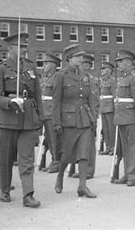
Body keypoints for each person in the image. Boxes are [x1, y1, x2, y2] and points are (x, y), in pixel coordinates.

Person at [0, 33, 43, 208]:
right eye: (21, 46)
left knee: (27, 158)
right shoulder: (0, 68)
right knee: (5, 157)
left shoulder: (30, 67)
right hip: (7, 119)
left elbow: (37, 95)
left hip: (28, 118)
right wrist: (9, 102)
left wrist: (40, 118)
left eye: (25, 46)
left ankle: (28, 195)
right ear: (11, 48)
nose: (24, 49)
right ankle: (5, 189)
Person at [53, 44, 98, 198]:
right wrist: (56, 122)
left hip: (84, 118)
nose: (81, 59)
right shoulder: (61, 76)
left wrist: (94, 118)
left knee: (84, 152)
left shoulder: (85, 76)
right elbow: (56, 101)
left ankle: (82, 186)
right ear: (69, 58)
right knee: (67, 154)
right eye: (78, 56)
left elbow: (90, 98)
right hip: (68, 120)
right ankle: (60, 176)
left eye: (81, 56)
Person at [111, 50, 135, 186]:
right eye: (118, 62)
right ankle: (126, 173)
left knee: (133, 148)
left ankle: (132, 175)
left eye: (120, 61)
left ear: (128, 62)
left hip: (131, 117)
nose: (118, 64)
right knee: (125, 148)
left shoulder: (134, 78)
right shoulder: (122, 79)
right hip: (121, 117)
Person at [69, 54, 98, 179]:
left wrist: (94, 117)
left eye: (87, 65)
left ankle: (89, 170)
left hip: (87, 114)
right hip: (75, 114)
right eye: (83, 64)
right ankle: (76, 168)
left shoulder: (90, 80)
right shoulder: (74, 78)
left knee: (89, 144)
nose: (85, 67)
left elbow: (94, 100)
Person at [40, 54, 62, 173]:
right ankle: (53, 159)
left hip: (52, 112)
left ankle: (56, 161)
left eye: (46, 63)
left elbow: (57, 98)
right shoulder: (45, 78)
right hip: (45, 112)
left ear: (53, 65)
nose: (44, 66)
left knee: (54, 139)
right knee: (48, 138)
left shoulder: (56, 78)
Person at [98, 59, 116, 156]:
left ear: (109, 70)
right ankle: (107, 146)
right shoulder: (101, 80)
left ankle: (113, 146)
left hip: (110, 107)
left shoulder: (112, 81)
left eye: (104, 69)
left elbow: (114, 95)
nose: (102, 71)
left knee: (111, 128)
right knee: (105, 128)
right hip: (103, 106)